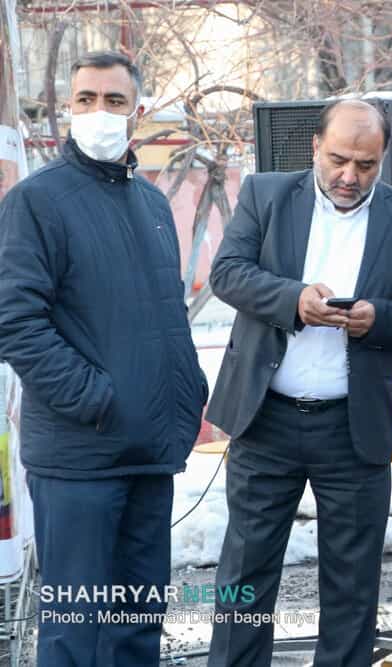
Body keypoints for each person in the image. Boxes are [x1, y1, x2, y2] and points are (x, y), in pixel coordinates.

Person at [205, 98, 392, 667]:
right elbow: (227, 273)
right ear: (315, 146)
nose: (349, 176)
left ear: (385, 158)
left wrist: (378, 318)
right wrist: (294, 300)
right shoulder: (265, 194)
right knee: (244, 576)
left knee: (352, 585)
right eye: (338, 159)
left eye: (366, 164)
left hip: (352, 427)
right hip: (266, 417)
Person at [0, 51, 208, 665]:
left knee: (137, 626)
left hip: (148, 453)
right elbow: (15, 321)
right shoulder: (36, 201)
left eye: (114, 100)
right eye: (85, 99)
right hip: (79, 459)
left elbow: (163, 315)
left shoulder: (152, 205)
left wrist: (186, 393)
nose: (99, 111)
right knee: (77, 634)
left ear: (137, 112)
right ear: (69, 107)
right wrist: (94, 398)